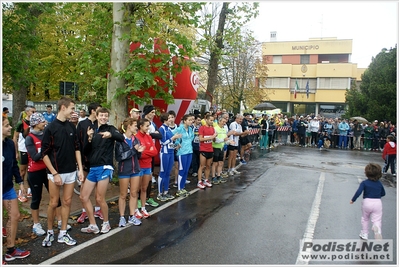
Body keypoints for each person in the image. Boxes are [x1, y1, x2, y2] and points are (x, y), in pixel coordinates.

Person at [41, 97, 84, 247]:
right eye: (72, 108)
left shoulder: (72, 127)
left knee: (67, 202)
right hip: (56, 172)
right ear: (63, 108)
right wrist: (54, 173)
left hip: (71, 171)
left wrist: (79, 169)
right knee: (53, 203)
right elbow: (44, 153)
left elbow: (77, 148)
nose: (74, 112)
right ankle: (49, 232)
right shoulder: (50, 128)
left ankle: (63, 233)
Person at [25, 113, 71, 237]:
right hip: (35, 172)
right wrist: (47, 150)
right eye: (42, 122)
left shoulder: (46, 133)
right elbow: (34, 156)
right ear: (35, 124)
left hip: (48, 170)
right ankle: (36, 224)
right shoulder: (30, 138)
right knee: (36, 198)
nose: (44, 123)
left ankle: (60, 220)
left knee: (55, 199)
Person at [79, 107, 124, 234]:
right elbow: (86, 151)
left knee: (99, 198)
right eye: (101, 115)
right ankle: (93, 225)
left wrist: (111, 135)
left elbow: (121, 137)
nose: (104, 118)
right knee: (83, 196)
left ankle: (106, 223)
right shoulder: (92, 129)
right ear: (96, 116)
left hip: (105, 167)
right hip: (93, 168)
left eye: (106, 116)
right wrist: (88, 138)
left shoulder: (110, 129)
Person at [2, 116, 31, 262]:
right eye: (6, 125)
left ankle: (11, 250)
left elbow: (14, 164)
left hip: (7, 188)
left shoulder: (9, 144)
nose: (10, 128)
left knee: (14, 215)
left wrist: (20, 183)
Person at [76, 102, 104, 224]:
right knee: (84, 185)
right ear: (93, 111)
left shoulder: (101, 125)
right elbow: (78, 143)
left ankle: (98, 209)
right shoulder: (82, 124)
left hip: (98, 160)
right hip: (85, 159)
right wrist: (79, 162)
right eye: (98, 110)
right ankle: (84, 210)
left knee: (99, 186)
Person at [115, 118, 145, 227]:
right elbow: (119, 157)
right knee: (123, 194)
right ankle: (122, 217)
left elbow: (137, 156)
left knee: (134, 193)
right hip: (124, 170)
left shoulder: (135, 139)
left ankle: (132, 216)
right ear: (129, 126)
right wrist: (134, 150)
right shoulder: (120, 140)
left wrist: (140, 152)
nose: (136, 127)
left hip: (135, 169)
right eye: (135, 125)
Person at [350, 163, 386, 240]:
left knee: (365, 218)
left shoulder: (364, 183)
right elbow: (383, 193)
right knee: (377, 219)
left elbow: (359, 192)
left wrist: (353, 199)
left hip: (367, 202)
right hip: (377, 202)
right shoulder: (379, 183)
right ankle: (377, 230)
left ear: (367, 173)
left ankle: (364, 233)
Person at [135, 118, 159, 219]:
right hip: (139, 166)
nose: (148, 128)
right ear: (141, 126)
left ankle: (143, 208)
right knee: (136, 189)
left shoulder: (148, 137)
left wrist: (145, 152)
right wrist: (147, 152)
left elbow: (155, 152)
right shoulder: (136, 137)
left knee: (144, 188)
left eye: (149, 125)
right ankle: (136, 209)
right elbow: (138, 154)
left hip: (147, 166)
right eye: (146, 126)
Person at [13, 105, 35, 203]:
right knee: (22, 171)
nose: (34, 113)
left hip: (32, 150)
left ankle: (30, 190)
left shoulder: (35, 122)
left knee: (32, 170)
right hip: (23, 149)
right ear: (27, 112)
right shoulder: (20, 123)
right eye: (32, 112)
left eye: (35, 112)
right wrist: (16, 151)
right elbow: (15, 137)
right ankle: (20, 192)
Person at [157, 112, 182, 201]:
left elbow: (170, 143)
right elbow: (163, 142)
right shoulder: (162, 128)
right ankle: (159, 193)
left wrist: (176, 146)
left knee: (168, 173)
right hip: (164, 153)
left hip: (171, 152)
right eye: (169, 118)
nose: (171, 120)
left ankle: (166, 192)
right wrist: (173, 138)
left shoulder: (168, 129)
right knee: (163, 172)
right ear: (165, 120)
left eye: (172, 118)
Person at [173, 114, 195, 196]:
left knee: (186, 170)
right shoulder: (179, 128)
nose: (191, 121)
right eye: (189, 120)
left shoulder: (190, 129)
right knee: (181, 170)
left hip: (189, 151)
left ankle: (182, 187)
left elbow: (191, 138)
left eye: (191, 120)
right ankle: (179, 189)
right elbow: (172, 136)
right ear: (184, 121)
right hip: (182, 152)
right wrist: (177, 143)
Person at [211, 113, 233, 184]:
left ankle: (218, 175)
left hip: (222, 147)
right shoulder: (215, 129)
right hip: (215, 147)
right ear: (219, 121)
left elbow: (225, 139)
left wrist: (229, 142)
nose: (224, 123)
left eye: (225, 122)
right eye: (223, 122)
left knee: (220, 162)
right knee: (215, 163)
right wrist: (224, 140)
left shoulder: (223, 129)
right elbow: (215, 140)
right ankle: (213, 177)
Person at [197, 114, 218, 189]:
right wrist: (211, 137)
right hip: (203, 149)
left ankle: (206, 179)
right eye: (211, 120)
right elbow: (201, 139)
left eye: (213, 120)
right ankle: (199, 181)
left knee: (208, 166)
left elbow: (214, 140)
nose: (212, 122)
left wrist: (215, 137)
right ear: (206, 120)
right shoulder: (202, 128)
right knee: (202, 166)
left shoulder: (212, 129)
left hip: (210, 149)